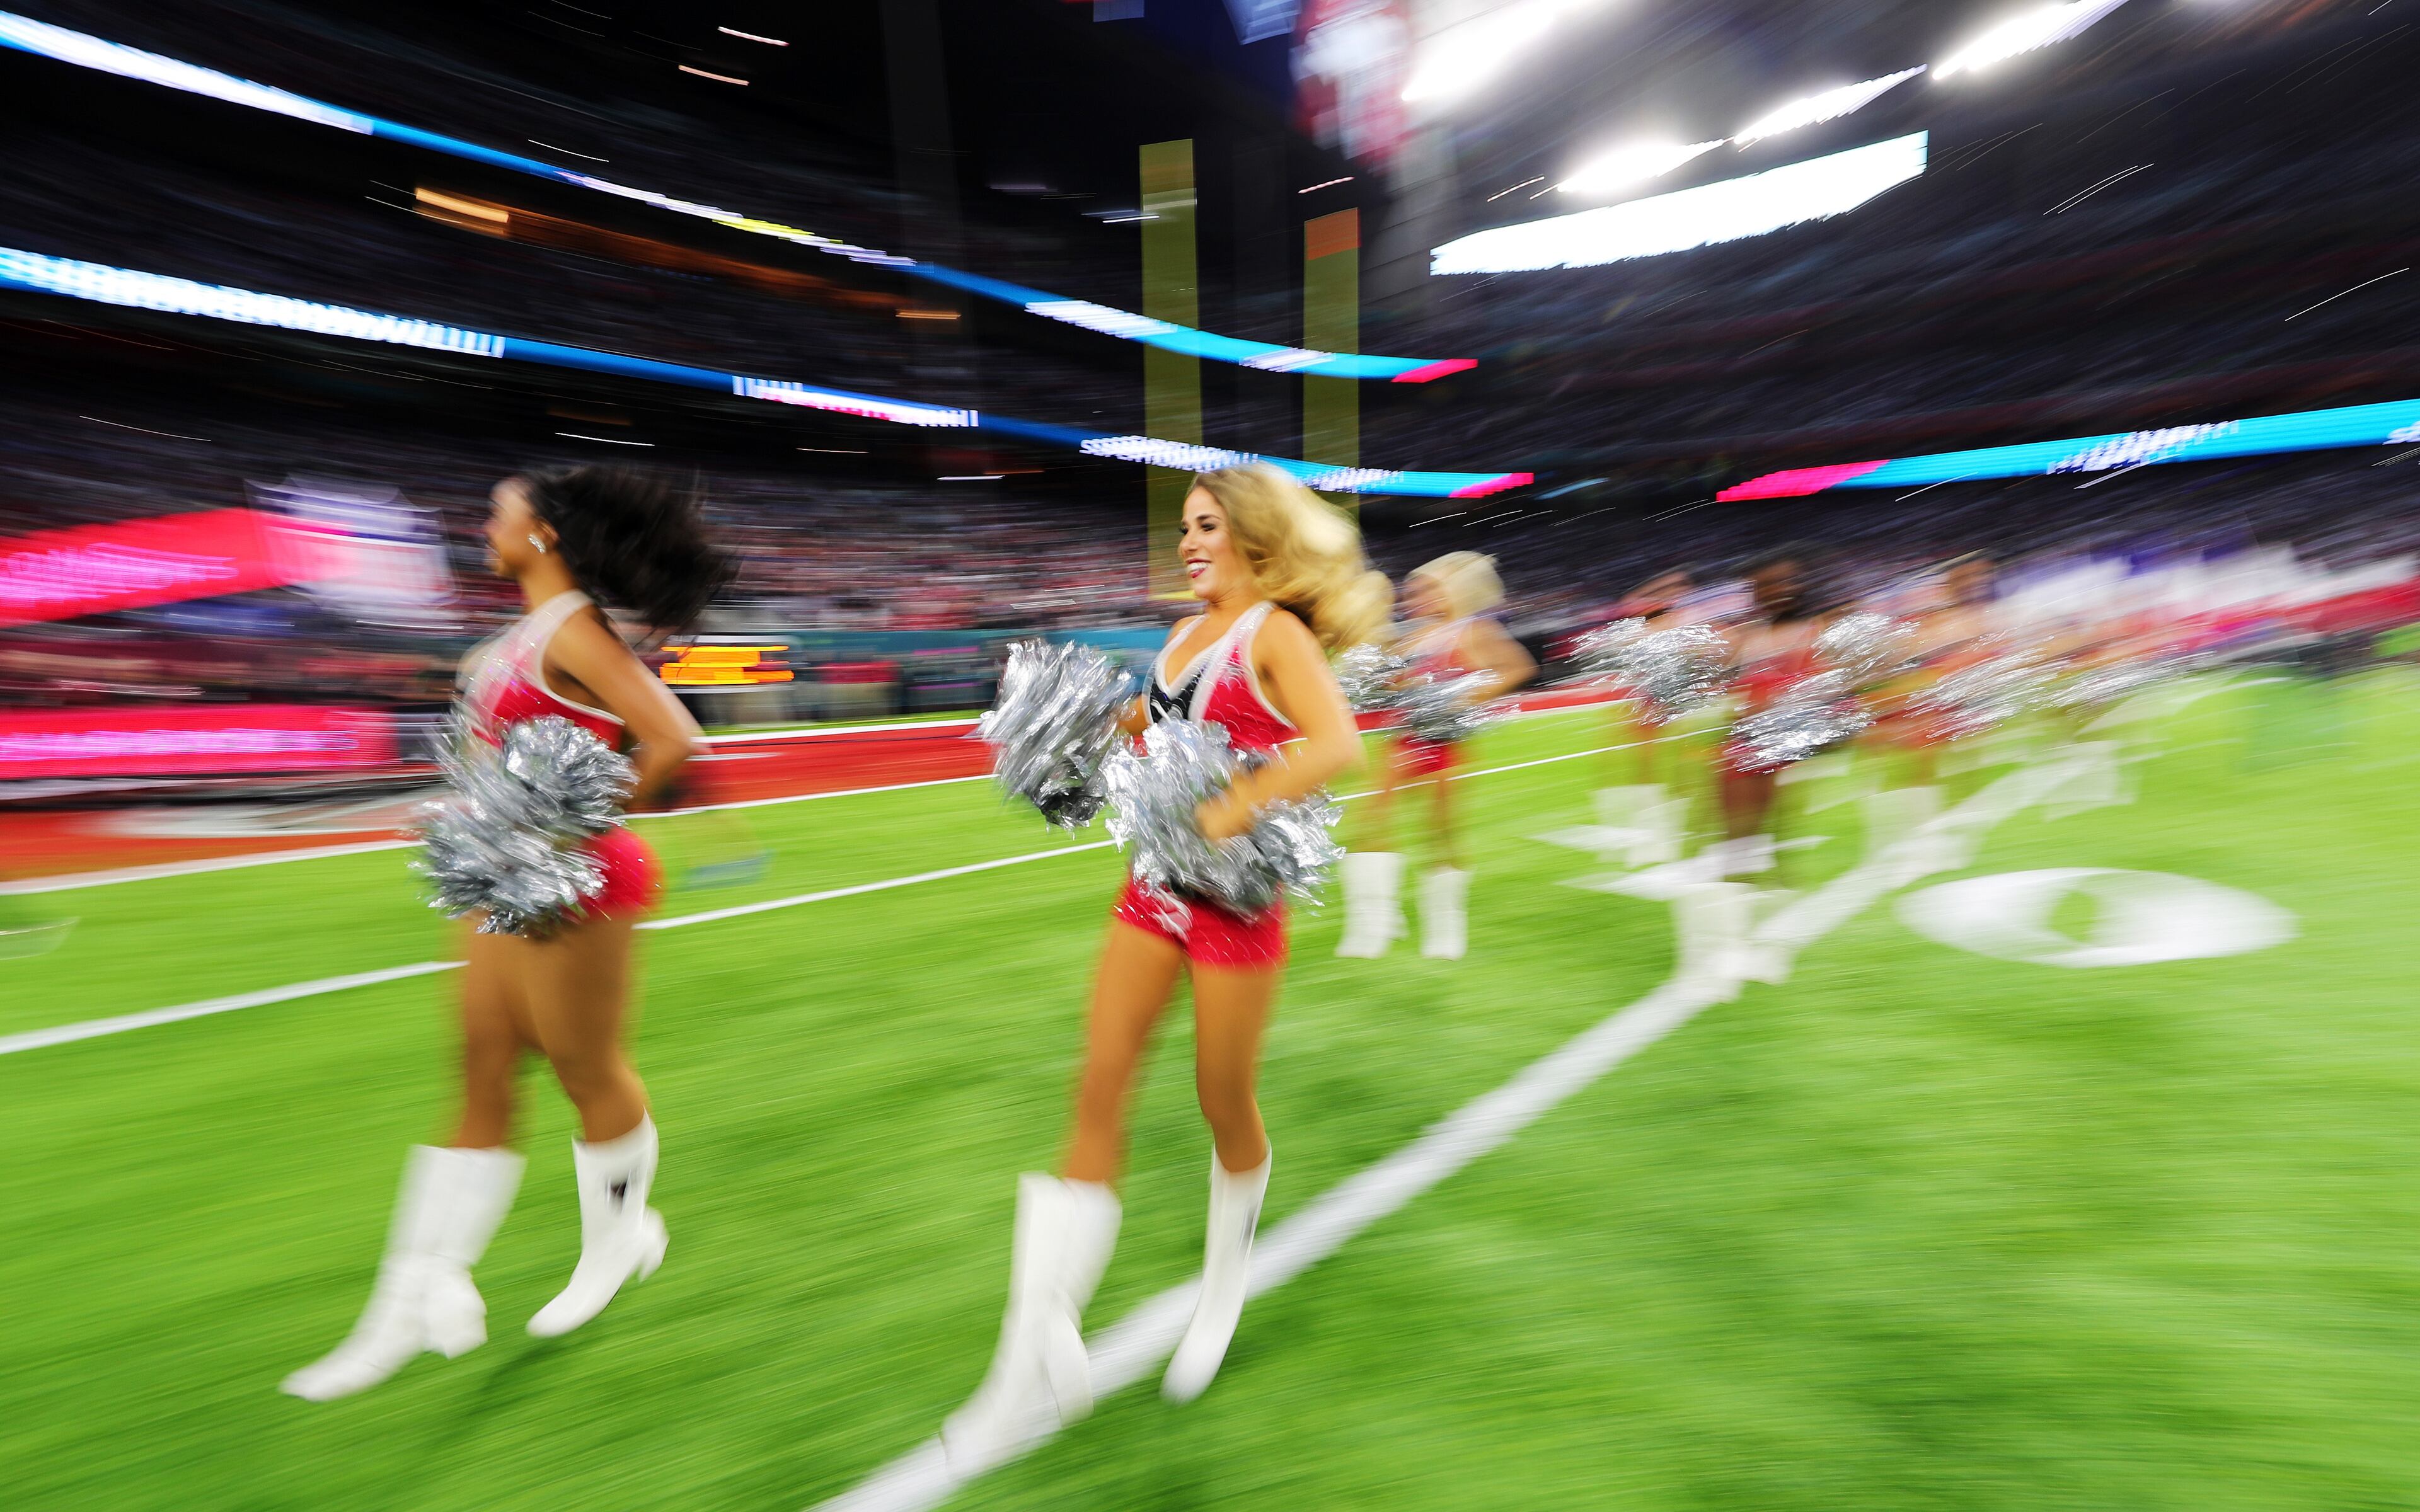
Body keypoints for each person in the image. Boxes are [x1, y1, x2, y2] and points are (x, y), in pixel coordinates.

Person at [943, 464, 1384, 1459]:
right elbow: (1160, 727)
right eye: (1184, 528)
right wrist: (1072, 734)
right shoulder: (1182, 638)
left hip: (1236, 903)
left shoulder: (1274, 631)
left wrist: (1235, 807)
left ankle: (1223, 1286)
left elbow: (1337, 743)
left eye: (1206, 528)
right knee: (1097, 1086)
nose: (1187, 544)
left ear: (1255, 539)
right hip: (1152, 887)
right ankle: (1033, 1351)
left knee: (1222, 1101)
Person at [282, 466, 730, 1401]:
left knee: (583, 1069)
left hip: (580, 884)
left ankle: (622, 1239)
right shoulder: (516, 636)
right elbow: (501, 763)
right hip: (501, 879)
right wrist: (471, 818)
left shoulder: (573, 628)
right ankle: (408, 1300)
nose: (486, 522)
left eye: (501, 511)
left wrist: (572, 827)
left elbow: (676, 740)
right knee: (481, 1073)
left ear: (543, 535)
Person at [1335, 552, 1535, 959]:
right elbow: (1393, 684)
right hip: (1406, 741)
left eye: (1428, 588)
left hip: (1448, 745)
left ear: (1454, 591)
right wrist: (1377, 680)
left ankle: (1446, 927)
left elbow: (1518, 668)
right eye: (1415, 590)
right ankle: (1374, 922)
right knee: (1370, 822)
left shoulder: (1476, 630)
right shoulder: (1410, 637)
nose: (1419, 596)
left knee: (1441, 832)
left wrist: (1463, 697)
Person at [1592, 566, 1696, 871]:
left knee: (1678, 768)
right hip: (1650, 704)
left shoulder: (1681, 626)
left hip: (1676, 704)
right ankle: (1652, 836)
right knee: (1644, 769)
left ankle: (1669, 834)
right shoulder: (1640, 630)